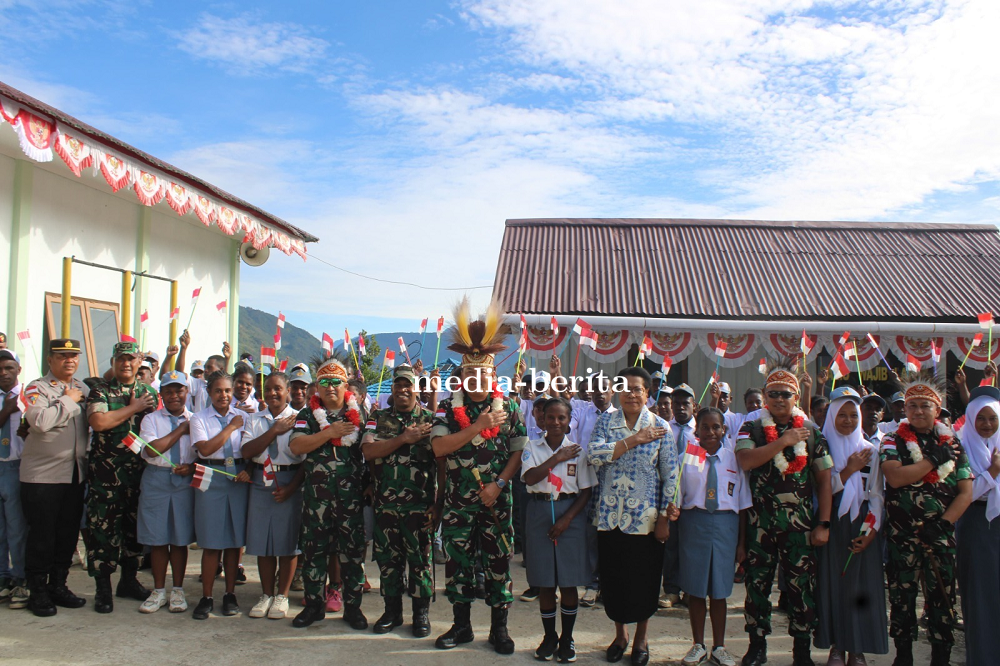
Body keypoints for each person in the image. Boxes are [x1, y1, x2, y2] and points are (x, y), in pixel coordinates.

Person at [430, 300, 528, 654]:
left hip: (496, 501)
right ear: (461, 377)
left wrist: (499, 484)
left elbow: (518, 450)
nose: (475, 381)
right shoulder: (448, 407)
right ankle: (461, 627)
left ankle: (499, 630)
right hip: (459, 503)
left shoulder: (510, 407)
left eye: (482, 375)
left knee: (499, 562)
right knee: (458, 564)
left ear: (492, 377)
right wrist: (477, 426)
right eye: (469, 375)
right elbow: (439, 447)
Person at [735, 361, 833, 666]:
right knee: (757, 586)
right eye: (774, 393)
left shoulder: (811, 432)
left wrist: (824, 524)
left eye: (786, 394)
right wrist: (783, 441)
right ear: (765, 396)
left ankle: (801, 650)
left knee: (800, 587)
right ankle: (757, 645)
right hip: (760, 526)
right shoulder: (751, 427)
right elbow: (746, 461)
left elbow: (825, 481)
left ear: (795, 397)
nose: (779, 399)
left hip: (800, 528)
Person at [588, 366, 678, 666]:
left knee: (644, 579)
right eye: (624, 388)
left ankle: (641, 639)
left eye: (637, 388)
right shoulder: (605, 422)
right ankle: (620, 635)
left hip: (647, 519)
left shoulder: (661, 427)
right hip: (610, 514)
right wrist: (633, 440)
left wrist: (665, 517)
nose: (630, 393)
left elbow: (671, 475)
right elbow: (594, 455)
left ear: (647, 393)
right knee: (614, 579)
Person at [880, 376, 972, 666]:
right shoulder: (892, 439)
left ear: (937, 408)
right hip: (902, 536)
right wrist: (932, 460)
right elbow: (894, 476)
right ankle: (904, 656)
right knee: (901, 600)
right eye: (912, 406)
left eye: (925, 406)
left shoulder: (953, 442)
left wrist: (943, 524)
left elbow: (965, 491)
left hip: (939, 537)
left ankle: (940, 657)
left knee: (942, 600)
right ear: (904, 410)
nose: (918, 411)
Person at [362, 364, 443, 637]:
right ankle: (392, 612)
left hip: (420, 507)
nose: (403, 389)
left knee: (420, 561)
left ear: (417, 388)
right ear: (392, 389)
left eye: (408, 384)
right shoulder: (377, 417)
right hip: (386, 505)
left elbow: (442, 465)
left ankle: (420, 614)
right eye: (398, 385)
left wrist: (438, 503)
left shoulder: (431, 420)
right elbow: (369, 452)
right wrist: (403, 438)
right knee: (388, 562)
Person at [289, 358, 367, 630]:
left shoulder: (360, 414)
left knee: (352, 554)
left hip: (351, 499)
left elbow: (370, 450)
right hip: (317, 500)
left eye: (336, 382)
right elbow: (297, 446)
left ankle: (353, 608)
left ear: (346, 385)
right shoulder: (307, 416)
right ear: (317, 387)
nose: (330, 387)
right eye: (324, 382)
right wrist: (330, 432)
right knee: (314, 553)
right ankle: (313, 606)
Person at [815, 387, 888, 665]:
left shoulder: (870, 450)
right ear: (832, 416)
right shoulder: (823, 448)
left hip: (863, 524)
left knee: (861, 588)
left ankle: (857, 648)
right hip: (833, 520)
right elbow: (822, 488)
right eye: (841, 415)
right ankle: (837, 646)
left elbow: (877, 494)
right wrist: (848, 470)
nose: (847, 421)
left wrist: (871, 531)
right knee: (835, 583)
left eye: (853, 415)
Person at [86, 340, 159, 613]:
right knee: (103, 532)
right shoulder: (100, 391)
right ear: (113, 362)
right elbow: (100, 422)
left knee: (134, 531)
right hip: (106, 477)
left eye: (131, 359)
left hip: (139, 475)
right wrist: (133, 407)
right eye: (121, 359)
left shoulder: (149, 393)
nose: (126, 364)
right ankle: (103, 589)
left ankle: (128, 581)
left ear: (139, 362)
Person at [521, 397, 596, 663]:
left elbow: (586, 491)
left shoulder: (578, 451)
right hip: (540, 512)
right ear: (541, 419)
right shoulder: (531, 447)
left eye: (561, 418)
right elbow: (530, 478)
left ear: (569, 422)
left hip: (570, 515)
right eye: (550, 417)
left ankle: (567, 638)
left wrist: (567, 520)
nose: (555, 422)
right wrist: (556, 458)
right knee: (545, 582)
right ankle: (549, 636)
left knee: (568, 581)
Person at [19, 339, 90, 616]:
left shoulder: (83, 388)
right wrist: (67, 400)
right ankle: (37, 591)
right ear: (50, 360)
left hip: (74, 475)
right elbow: (39, 422)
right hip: (42, 477)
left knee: (66, 535)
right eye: (62, 356)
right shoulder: (37, 388)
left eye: (74, 356)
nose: (69, 361)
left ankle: (58, 586)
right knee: (41, 537)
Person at [676, 407, 748, 666]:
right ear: (697, 430)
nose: (710, 432)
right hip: (695, 523)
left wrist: (741, 542)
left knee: (719, 591)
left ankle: (719, 646)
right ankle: (698, 645)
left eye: (715, 427)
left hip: (725, 526)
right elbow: (679, 492)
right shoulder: (690, 455)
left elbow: (742, 504)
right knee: (696, 589)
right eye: (704, 427)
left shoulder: (734, 458)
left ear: (724, 430)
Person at [241, 371, 304, 620]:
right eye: (268, 389)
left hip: (290, 480)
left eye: (278, 388)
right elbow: (247, 451)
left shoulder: (300, 419)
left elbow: (305, 461)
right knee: (263, 542)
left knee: (287, 542)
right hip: (260, 481)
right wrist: (274, 430)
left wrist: (291, 488)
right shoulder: (254, 419)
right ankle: (265, 594)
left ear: (288, 391)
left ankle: (282, 596)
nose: (273, 393)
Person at [189, 371, 251, 619]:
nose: (224, 395)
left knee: (235, 540)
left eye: (227, 390)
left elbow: (251, 450)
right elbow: (204, 449)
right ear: (209, 393)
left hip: (237, 477)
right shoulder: (199, 418)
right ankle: (206, 596)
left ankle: (229, 594)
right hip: (212, 475)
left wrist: (247, 470)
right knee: (211, 540)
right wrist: (230, 428)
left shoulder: (245, 417)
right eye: (218, 391)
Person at [136, 370, 196, 614]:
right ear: (161, 394)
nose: (174, 396)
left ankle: (178, 590)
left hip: (184, 482)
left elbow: (203, 454)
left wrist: (191, 467)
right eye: (169, 391)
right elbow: (152, 450)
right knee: (158, 539)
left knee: (179, 539)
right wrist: (181, 430)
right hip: (157, 481)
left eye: (179, 390)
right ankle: (159, 590)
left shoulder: (196, 419)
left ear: (186, 392)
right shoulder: (151, 420)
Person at [956, 385, 1000, 666]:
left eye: (992, 419)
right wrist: (993, 471)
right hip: (975, 525)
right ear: (971, 419)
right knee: (981, 597)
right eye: (980, 418)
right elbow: (966, 493)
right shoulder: (959, 446)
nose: (986, 425)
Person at [569, 373, 617, 608]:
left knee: (610, 534)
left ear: (612, 392)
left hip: (612, 484)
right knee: (589, 533)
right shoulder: (582, 412)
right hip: (587, 482)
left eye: (604, 389)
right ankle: (591, 584)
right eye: (595, 388)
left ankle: (608, 584)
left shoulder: (620, 418)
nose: (599, 393)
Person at [661, 382, 697, 609]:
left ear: (695, 405)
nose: (681, 408)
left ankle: (691, 590)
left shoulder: (702, 429)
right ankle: (671, 589)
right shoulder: (664, 429)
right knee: (671, 545)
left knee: (691, 545)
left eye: (686, 403)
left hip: (694, 496)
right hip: (670, 496)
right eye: (677, 403)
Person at [0, 350, 27, 609]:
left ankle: (21, 578)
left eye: (9, 367)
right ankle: (2, 577)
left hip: (16, 467)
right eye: (0, 369)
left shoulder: (28, 396)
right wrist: (6, 410)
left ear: (19, 369)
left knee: (17, 529)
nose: (4, 373)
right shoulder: (6, 402)